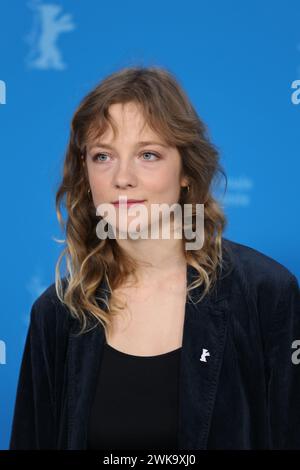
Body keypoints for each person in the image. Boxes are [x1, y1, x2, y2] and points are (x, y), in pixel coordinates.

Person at [9, 66, 300, 450]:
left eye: (147, 154)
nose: (122, 177)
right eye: (102, 156)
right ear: (85, 172)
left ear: (185, 171)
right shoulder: (56, 314)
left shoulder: (267, 294)